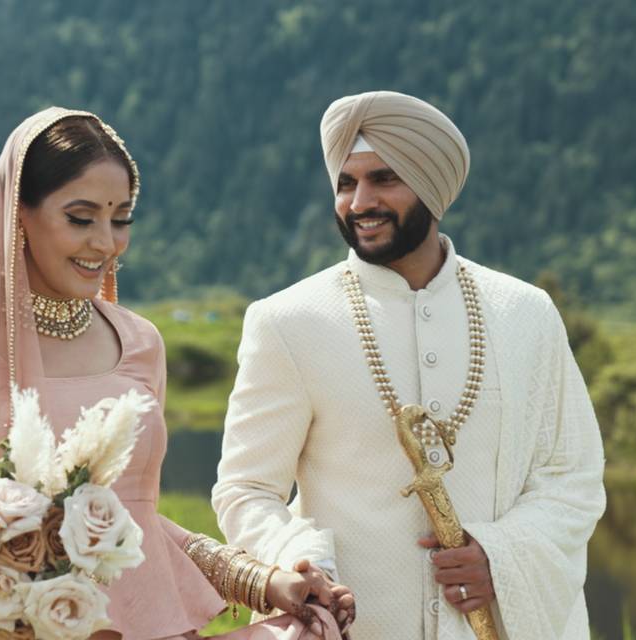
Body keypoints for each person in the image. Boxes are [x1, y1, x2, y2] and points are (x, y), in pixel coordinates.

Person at [0, 107, 354, 639]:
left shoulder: (139, 344)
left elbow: (137, 524)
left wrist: (267, 582)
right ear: (18, 215)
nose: (106, 242)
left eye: (121, 217)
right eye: (81, 218)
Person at [212, 91, 606, 639]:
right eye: (346, 183)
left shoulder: (525, 313)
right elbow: (246, 489)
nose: (359, 201)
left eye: (384, 179)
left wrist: (501, 556)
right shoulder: (289, 320)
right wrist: (298, 557)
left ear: (434, 187)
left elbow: (572, 476)